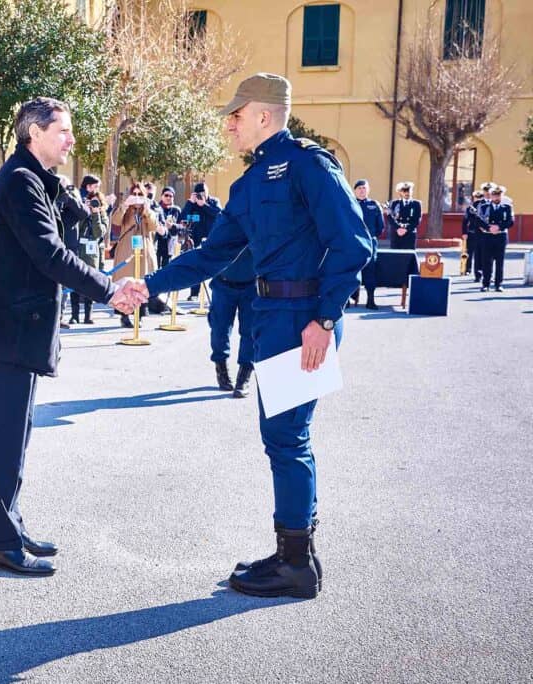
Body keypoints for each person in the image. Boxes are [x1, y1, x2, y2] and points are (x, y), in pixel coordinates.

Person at [129, 73, 372, 599]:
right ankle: (294, 552)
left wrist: (325, 320)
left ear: (265, 115)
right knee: (283, 440)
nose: (230, 124)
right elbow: (211, 255)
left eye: (237, 115)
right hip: (271, 317)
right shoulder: (250, 181)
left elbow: (354, 244)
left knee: (288, 441)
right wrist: (145, 284)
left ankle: (296, 566)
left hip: (304, 320)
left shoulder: (309, 165)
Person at [0, 97, 141, 577]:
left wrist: (74, 198)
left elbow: (76, 228)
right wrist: (109, 290)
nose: (71, 140)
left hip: (21, 329)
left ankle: (10, 526)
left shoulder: (38, 180)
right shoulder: (20, 182)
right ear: (33, 133)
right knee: (4, 438)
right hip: (9, 330)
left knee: (17, 436)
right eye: (63, 130)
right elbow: (49, 255)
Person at [208, 247, 256, 397]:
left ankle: (244, 375)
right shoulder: (224, 223)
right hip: (223, 283)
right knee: (219, 329)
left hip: (252, 285)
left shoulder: (260, 223)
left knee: (250, 331)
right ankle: (221, 367)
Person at [110, 182, 159, 328]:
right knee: (126, 282)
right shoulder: (125, 209)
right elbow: (116, 221)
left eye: (140, 194)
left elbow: (154, 226)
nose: (137, 198)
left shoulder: (147, 210)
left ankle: (141, 314)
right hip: (127, 250)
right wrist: (125, 205)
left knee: (142, 282)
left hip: (144, 249)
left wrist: (147, 209)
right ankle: (124, 315)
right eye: (134, 194)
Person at [54, 174, 92, 326]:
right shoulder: (50, 197)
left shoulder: (72, 199)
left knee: (65, 284)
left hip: (69, 249)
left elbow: (84, 212)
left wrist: (68, 197)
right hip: (52, 247)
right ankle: (53, 317)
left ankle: (60, 316)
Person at [179, 181, 222, 301]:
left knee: (216, 266)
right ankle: (194, 293)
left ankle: (217, 293)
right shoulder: (192, 204)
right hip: (195, 239)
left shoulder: (214, 202)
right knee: (196, 267)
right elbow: (182, 218)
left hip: (212, 238)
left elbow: (220, 214)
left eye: (203, 193)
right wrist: (189, 203)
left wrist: (204, 205)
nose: (201, 196)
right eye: (199, 194)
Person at [75, 181, 110, 324]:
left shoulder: (103, 216)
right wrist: (85, 211)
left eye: (96, 202)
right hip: (79, 249)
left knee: (89, 281)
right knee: (74, 280)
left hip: (92, 253)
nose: (94, 204)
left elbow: (98, 233)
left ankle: (88, 315)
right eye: (92, 202)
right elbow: (76, 228)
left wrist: (95, 214)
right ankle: (74, 315)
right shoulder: (83, 213)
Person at [350, 179, 385, 310]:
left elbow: (380, 227)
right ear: (355, 191)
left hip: (370, 243)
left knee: (370, 270)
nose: (362, 190)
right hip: (353, 243)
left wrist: (370, 237)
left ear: (368, 190)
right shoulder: (349, 203)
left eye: (364, 188)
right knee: (351, 270)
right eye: (359, 188)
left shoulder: (374, 205)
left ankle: (370, 300)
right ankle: (348, 299)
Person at [479, 186, 513, 292]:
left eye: (498, 195)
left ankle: (498, 284)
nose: (496, 197)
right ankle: (486, 284)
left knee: (499, 261)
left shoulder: (507, 207)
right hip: (487, 236)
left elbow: (510, 221)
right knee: (486, 261)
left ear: (501, 195)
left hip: (501, 236)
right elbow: (478, 219)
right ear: (491, 195)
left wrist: (499, 227)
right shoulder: (484, 206)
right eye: (494, 195)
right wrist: (489, 227)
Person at [388, 181, 421, 250]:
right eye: (404, 191)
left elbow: (417, 220)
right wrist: (398, 228)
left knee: (408, 257)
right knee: (395, 257)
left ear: (411, 191)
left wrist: (406, 229)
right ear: (400, 192)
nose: (407, 193)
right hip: (396, 234)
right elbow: (390, 218)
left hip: (409, 234)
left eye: (409, 191)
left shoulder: (416, 204)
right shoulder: (394, 203)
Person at [462, 187, 487, 280]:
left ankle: (481, 271)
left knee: (480, 253)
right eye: (476, 196)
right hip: (471, 232)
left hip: (482, 233)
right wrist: (464, 232)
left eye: (480, 196)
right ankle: (467, 269)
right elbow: (465, 221)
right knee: (469, 252)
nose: (478, 198)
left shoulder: (485, 207)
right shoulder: (470, 208)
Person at [155, 186, 181, 268]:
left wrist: (173, 226)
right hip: (157, 243)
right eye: (166, 195)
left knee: (167, 269)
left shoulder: (176, 210)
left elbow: (182, 226)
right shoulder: (156, 208)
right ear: (161, 196)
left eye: (171, 196)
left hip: (169, 244)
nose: (168, 198)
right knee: (155, 269)